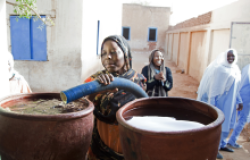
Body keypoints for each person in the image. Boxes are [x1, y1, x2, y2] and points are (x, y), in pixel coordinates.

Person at [84, 35, 146, 160]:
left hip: (128, 148)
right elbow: (83, 109)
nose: (108, 57)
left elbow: (144, 115)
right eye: (103, 53)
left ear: (125, 53)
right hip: (98, 148)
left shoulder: (138, 81)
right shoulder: (93, 81)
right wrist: (97, 90)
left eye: (113, 52)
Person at [197, 49, 243, 159]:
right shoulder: (220, 69)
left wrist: (239, 100)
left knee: (228, 124)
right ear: (224, 56)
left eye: (233, 56)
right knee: (219, 126)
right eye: (228, 56)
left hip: (231, 103)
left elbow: (236, 88)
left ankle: (222, 145)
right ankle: (214, 148)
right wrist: (212, 107)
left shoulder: (236, 69)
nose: (230, 58)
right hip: (221, 103)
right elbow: (213, 90)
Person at [227, 64, 250, 149]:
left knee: (238, 118)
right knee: (243, 119)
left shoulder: (246, 67)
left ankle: (229, 140)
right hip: (247, 97)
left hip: (241, 94)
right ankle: (231, 141)